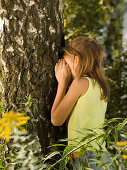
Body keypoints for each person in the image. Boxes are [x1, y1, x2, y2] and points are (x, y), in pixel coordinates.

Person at [51, 37, 112, 169]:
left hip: (87, 157)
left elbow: (56, 119)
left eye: (66, 62)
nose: (65, 68)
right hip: (103, 157)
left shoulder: (80, 82)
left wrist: (62, 83)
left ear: (76, 60)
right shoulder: (100, 86)